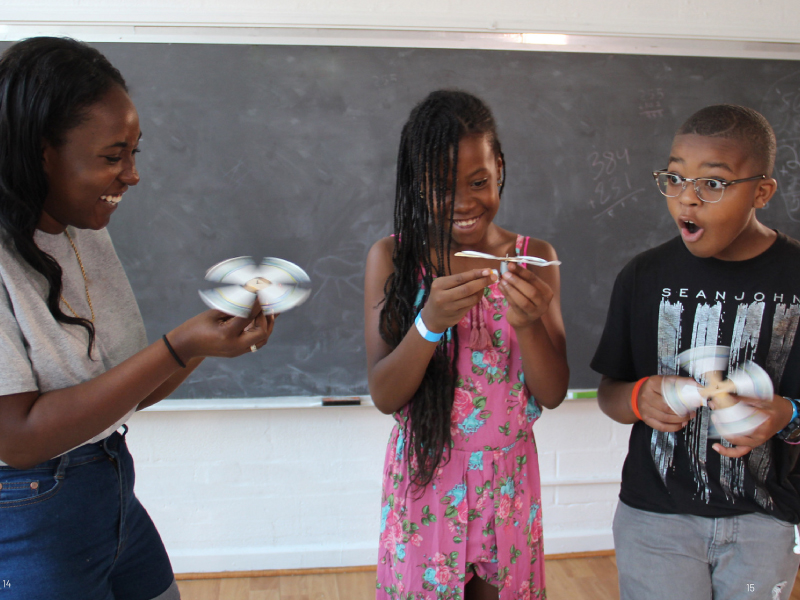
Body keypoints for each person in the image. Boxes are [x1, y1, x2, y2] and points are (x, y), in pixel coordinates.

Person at [0, 37, 275, 600]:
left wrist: (203, 343)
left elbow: (125, 391)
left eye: (134, 153)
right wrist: (178, 347)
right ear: (40, 152)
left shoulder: (83, 230)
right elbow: (17, 438)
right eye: (111, 156)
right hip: (29, 511)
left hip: (110, 485)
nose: (131, 175)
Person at [364, 90, 569, 600]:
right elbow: (386, 395)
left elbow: (553, 390)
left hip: (509, 480)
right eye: (440, 187)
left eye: (479, 181)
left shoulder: (533, 257)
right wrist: (429, 323)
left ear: (499, 167)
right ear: (414, 186)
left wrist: (528, 322)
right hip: (427, 483)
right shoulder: (392, 258)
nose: (463, 202)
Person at [592, 104, 800, 600]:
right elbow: (610, 394)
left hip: (765, 522)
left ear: (762, 192)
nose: (688, 198)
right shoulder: (643, 276)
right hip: (654, 522)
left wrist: (786, 412)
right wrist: (641, 396)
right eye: (675, 178)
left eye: (713, 183)